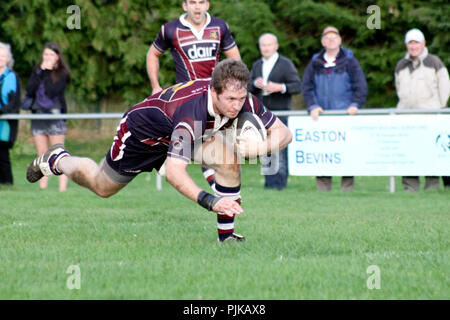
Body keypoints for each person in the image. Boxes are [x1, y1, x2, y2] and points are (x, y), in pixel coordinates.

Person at [26, 59, 292, 242]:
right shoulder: (191, 113)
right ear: (214, 92)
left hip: (186, 134)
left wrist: (260, 147)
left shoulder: (244, 100)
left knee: (227, 161)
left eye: (241, 98)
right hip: (142, 136)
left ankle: (227, 238)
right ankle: (59, 159)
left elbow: (284, 133)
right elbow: (175, 174)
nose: (237, 106)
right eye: (230, 100)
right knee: (101, 186)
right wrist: (211, 202)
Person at [146, 0, 241, 188]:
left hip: (215, 94)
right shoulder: (170, 30)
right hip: (188, 96)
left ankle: (211, 179)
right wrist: (155, 86)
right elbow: (153, 54)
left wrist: (235, 86)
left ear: (208, 5)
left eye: (201, 2)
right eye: (192, 2)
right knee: (203, 138)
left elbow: (235, 58)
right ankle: (167, 157)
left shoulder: (220, 26)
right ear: (184, 6)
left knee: (212, 141)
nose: (197, 7)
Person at [302, 26, 368, 191]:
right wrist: (312, 105)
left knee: (346, 153)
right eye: (327, 38)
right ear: (323, 42)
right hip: (321, 119)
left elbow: (361, 86)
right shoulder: (315, 63)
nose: (331, 40)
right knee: (323, 154)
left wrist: (355, 105)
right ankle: (323, 190)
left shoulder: (350, 61)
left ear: (340, 40)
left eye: (334, 37)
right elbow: (307, 87)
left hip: (344, 117)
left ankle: (347, 188)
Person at [395, 28, 450, 192]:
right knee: (409, 153)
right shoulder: (401, 65)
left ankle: (431, 186)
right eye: (410, 43)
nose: (413, 46)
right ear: (406, 45)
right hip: (407, 117)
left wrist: (438, 108)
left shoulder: (434, 62)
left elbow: (445, 87)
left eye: (416, 43)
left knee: (430, 153)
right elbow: (399, 88)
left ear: (423, 43)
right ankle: (410, 187)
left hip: (430, 117)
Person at [249, 33, 301, 190]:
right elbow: (248, 88)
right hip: (262, 115)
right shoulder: (257, 65)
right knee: (265, 148)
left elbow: (297, 86)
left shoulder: (285, 64)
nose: (266, 48)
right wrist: (254, 84)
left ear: (276, 46)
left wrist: (280, 87)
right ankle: (269, 183)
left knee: (280, 149)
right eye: (263, 45)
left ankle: (280, 185)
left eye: (269, 45)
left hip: (281, 113)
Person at [22, 42, 71, 192]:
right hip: (38, 115)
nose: (48, 57)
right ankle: (43, 187)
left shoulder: (62, 73)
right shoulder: (38, 70)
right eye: (45, 54)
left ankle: (62, 188)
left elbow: (52, 91)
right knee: (42, 153)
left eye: (51, 54)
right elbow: (30, 90)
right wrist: (42, 72)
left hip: (55, 115)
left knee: (58, 152)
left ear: (57, 56)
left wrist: (48, 72)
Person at [0, 42, 21, 185]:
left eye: (3, 56)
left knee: (2, 154)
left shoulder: (12, 77)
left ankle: (7, 183)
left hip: (5, 122)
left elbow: (13, 102)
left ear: (8, 58)